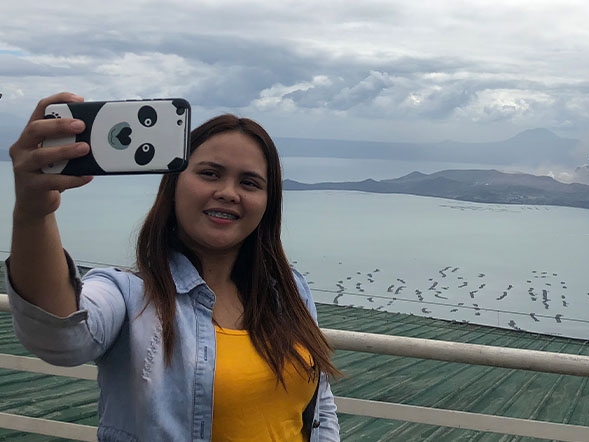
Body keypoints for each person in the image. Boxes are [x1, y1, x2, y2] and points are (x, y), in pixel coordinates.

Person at [5, 92, 342, 441]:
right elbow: (59, 337)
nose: (228, 192)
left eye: (249, 182)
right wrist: (34, 211)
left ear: (268, 202)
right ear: (174, 185)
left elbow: (321, 405)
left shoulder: (287, 291)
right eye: (210, 174)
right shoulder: (131, 297)